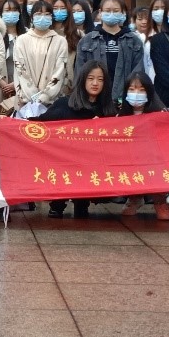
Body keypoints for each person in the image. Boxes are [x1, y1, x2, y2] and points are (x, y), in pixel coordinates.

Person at [35, 61, 116, 219]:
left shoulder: (107, 110)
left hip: (91, 163)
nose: (95, 83)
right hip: (63, 161)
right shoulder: (64, 104)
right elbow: (40, 125)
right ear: (82, 79)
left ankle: (82, 202)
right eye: (91, 78)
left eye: (100, 79)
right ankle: (57, 204)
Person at [119, 73, 169, 220]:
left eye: (141, 90)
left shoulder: (160, 113)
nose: (136, 94)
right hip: (130, 159)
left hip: (154, 159)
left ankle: (160, 200)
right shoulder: (121, 115)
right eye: (132, 89)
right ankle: (135, 197)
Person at [75, 0, 144, 103]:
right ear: (100, 12)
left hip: (124, 99)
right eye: (107, 11)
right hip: (94, 99)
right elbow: (79, 72)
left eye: (116, 11)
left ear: (123, 13)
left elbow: (138, 72)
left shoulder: (134, 40)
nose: (111, 14)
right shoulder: (86, 40)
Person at [7, 0, 69, 116]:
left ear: (52, 17)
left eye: (47, 14)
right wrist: (31, 95)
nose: (42, 17)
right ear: (32, 17)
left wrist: (46, 95)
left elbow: (60, 71)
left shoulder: (60, 41)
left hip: (52, 103)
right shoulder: (21, 40)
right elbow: (20, 71)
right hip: (26, 102)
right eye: (38, 14)